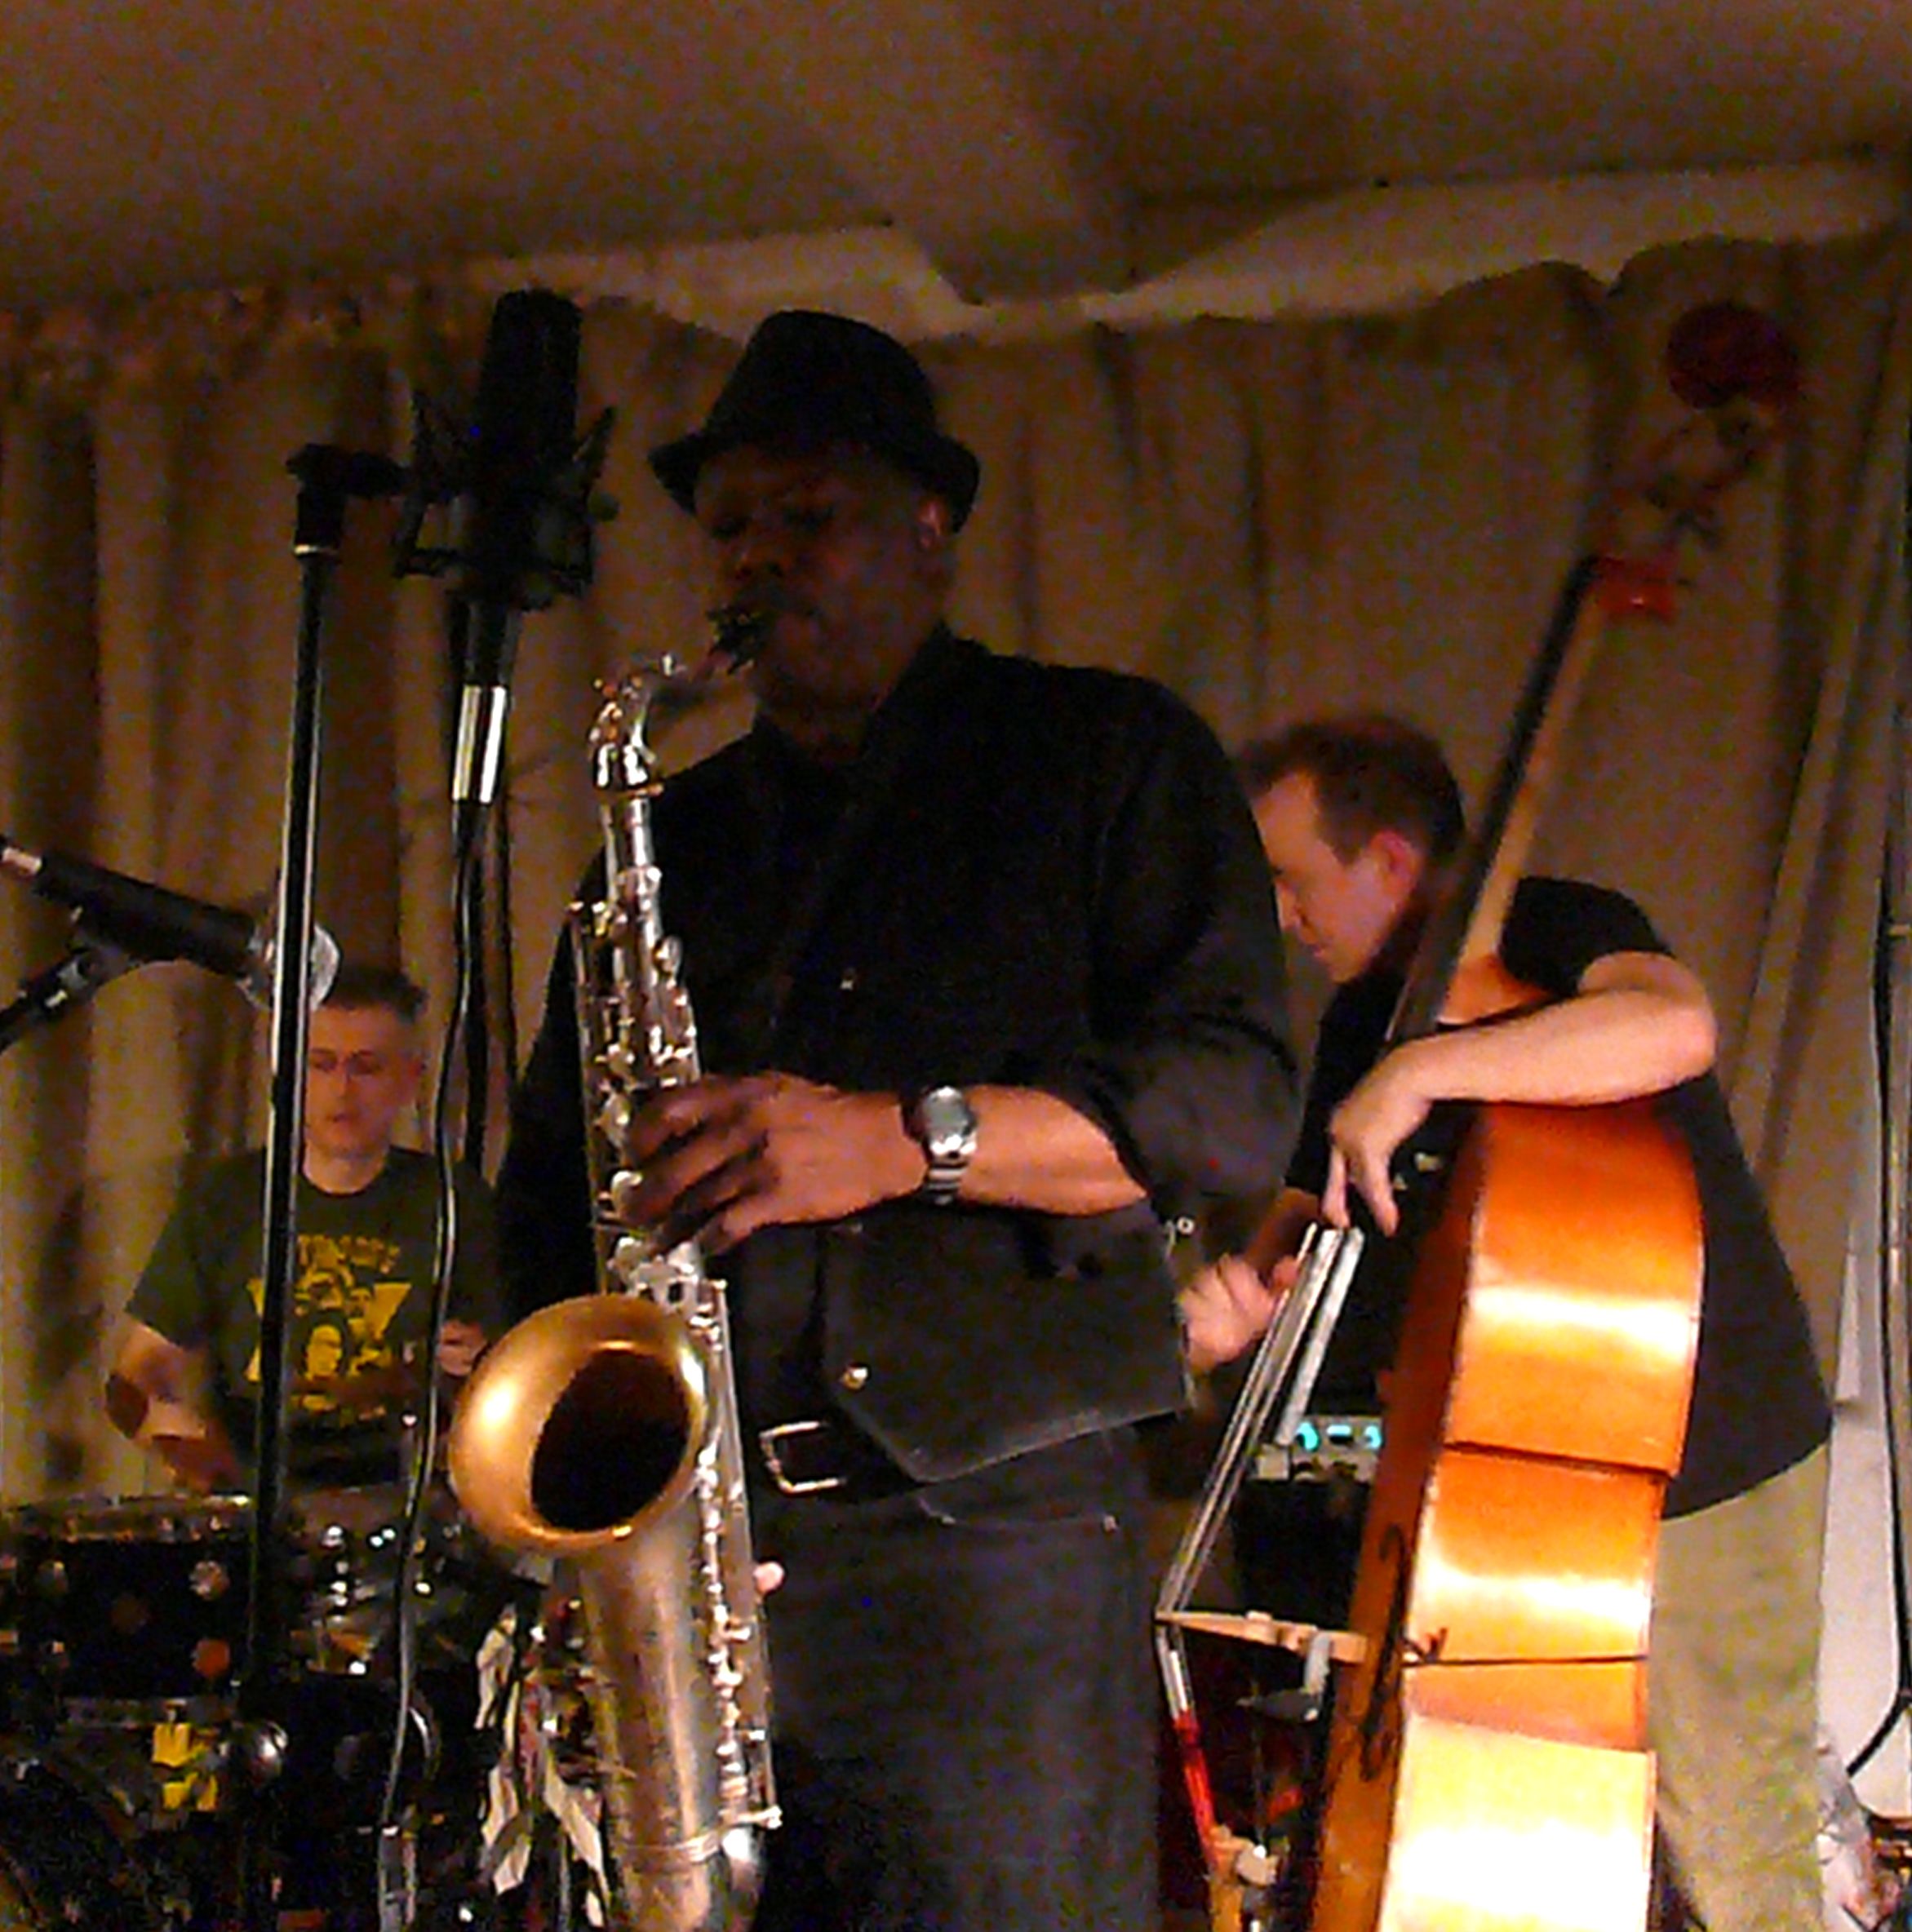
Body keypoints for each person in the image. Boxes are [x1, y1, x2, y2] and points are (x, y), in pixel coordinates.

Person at [495, 308, 1299, 1932]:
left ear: (929, 528)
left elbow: (1229, 1106)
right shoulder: (674, 831)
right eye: (728, 525)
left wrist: (904, 1135)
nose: (758, 560)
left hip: (984, 1553)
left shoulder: (1103, 753)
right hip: (711, 1568)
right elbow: (550, 1213)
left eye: (810, 516)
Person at [1179, 712, 1832, 1932]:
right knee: (1541, 1844)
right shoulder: (1358, 1020)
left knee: (1734, 1864)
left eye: (1289, 880)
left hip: (1700, 1452)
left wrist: (1424, 1070)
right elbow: (1303, 1221)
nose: (1278, 917)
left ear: (1383, 860)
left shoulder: (1552, 923)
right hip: (1507, 1479)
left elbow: (1671, 1027)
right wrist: (1236, 1304)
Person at [108, 961, 505, 1493]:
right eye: (321, 1065)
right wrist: (178, 1435)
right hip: (254, 1503)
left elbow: (504, 1376)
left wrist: (477, 1365)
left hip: (405, 1502)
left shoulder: (457, 1200)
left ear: (410, 1080)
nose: (342, 1090)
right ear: (289, 1075)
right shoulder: (228, 1196)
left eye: (365, 1067)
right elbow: (134, 1375)